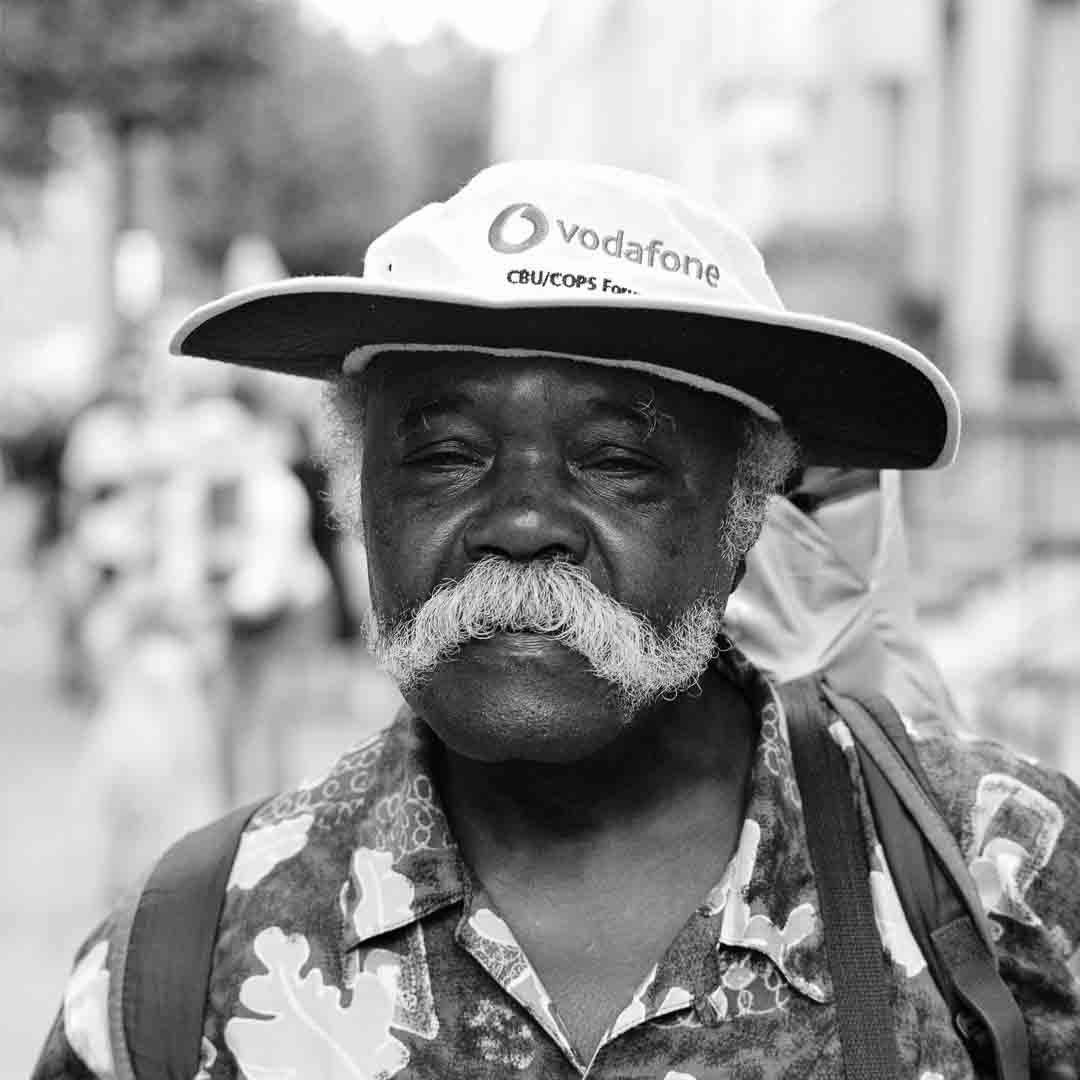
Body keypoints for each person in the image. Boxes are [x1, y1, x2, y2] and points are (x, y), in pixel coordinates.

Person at [34, 161, 1080, 1079]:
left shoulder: (1003, 877)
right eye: (446, 455)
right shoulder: (189, 963)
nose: (523, 523)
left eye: (616, 460)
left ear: (744, 512)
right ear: (358, 499)